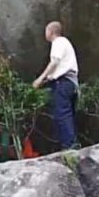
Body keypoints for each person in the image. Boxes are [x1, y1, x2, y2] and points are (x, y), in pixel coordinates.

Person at [32, 21, 80, 150]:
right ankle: (71, 142)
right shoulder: (65, 43)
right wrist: (47, 79)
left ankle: (69, 145)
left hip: (63, 83)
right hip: (71, 82)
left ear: (51, 32)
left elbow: (55, 62)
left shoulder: (58, 42)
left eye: (46, 31)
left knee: (62, 114)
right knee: (67, 114)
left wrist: (40, 79)